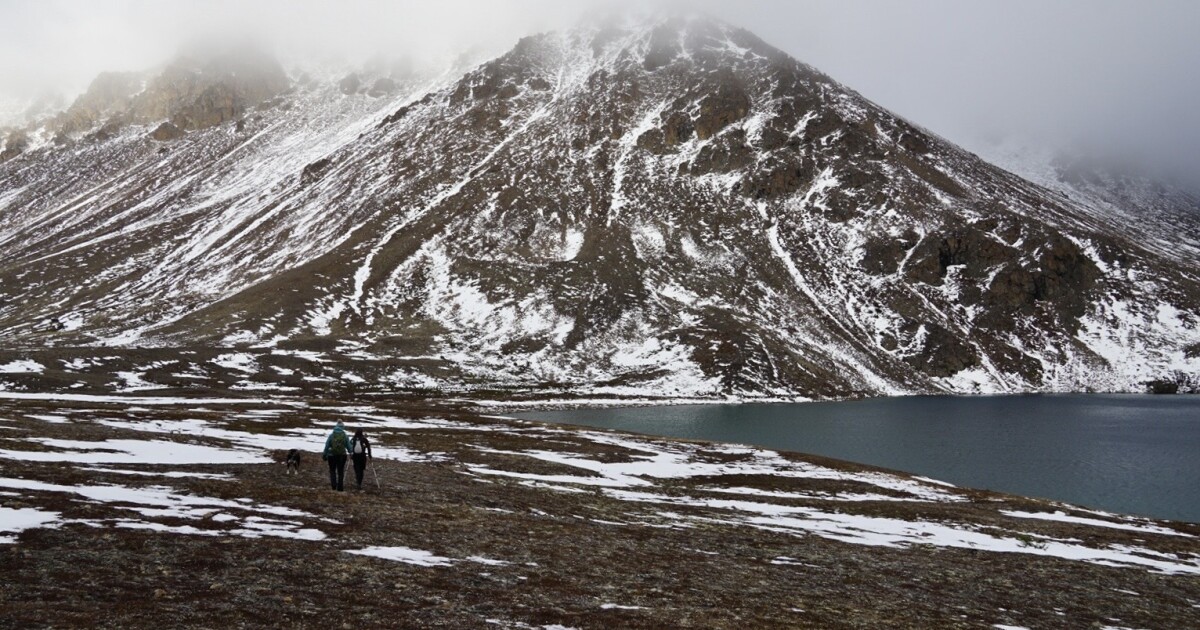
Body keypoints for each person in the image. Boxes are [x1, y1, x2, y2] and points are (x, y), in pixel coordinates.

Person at [323, 421, 351, 491]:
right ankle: (340, 487)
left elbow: (327, 445)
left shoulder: (332, 435)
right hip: (342, 455)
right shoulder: (345, 435)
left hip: (331, 455)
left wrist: (324, 455)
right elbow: (348, 446)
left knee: (332, 471)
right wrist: (351, 452)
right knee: (340, 471)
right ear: (343, 427)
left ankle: (333, 486)